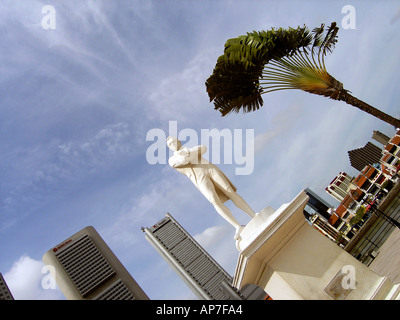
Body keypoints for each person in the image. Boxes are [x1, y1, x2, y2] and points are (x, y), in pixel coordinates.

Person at [166, 136, 255, 240]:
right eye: (170, 144)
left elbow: (203, 148)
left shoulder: (191, 149)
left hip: (210, 169)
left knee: (229, 191)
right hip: (199, 178)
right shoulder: (172, 160)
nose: (173, 144)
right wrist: (192, 154)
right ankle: (237, 226)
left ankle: (253, 214)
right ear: (170, 148)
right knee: (214, 201)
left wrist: (189, 155)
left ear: (179, 141)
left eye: (174, 142)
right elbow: (183, 161)